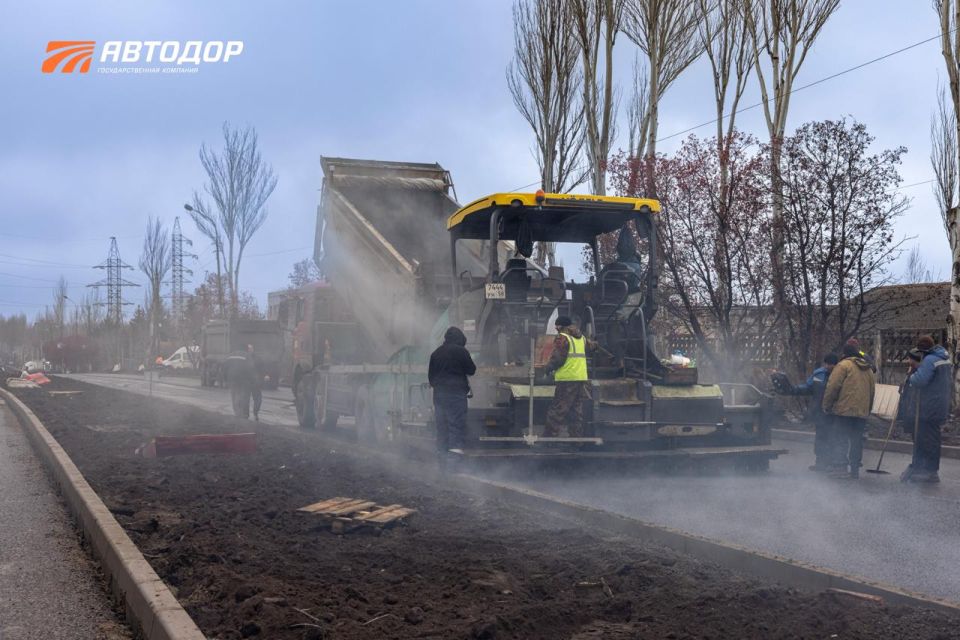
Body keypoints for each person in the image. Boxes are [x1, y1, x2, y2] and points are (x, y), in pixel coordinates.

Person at [898, 336, 952, 483]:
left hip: (929, 406)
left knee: (926, 439)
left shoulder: (929, 360)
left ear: (922, 350)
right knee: (933, 438)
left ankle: (927, 471)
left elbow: (920, 380)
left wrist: (912, 375)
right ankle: (927, 469)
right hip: (940, 405)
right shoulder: (944, 358)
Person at [822, 342, 876, 479]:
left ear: (844, 354)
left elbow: (832, 387)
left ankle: (840, 468)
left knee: (840, 438)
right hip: (861, 412)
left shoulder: (843, 366)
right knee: (856, 440)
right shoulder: (868, 369)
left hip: (844, 410)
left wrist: (826, 405)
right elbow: (872, 391)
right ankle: (855, 469)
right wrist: (867, 409)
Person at [777, 353, 839, 471]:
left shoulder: (840, 375)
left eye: (830, 364)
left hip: (834, 413)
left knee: (833, 438)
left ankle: (832, 463)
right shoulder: (819, 374)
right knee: (821, 437)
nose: (827, 367)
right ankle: (820, 462)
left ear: (835, 365)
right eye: (826, 364)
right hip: (820, 412)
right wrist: (792, 390)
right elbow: (808, 387)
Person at [428, 327, 477, 465]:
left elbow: (431, 379)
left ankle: (442, 461)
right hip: (456, 395)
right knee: (456, 424)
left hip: (439, 396)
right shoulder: (461, 351)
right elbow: (471, 370)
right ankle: (454, 463)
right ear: (460, 339)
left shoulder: (435, 353)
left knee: (442, 425)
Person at [544, 316, 598, 438]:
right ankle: (576, 440)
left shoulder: (563, 338)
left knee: (557, 410)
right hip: (580, 378)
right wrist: (596, 343)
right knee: (575, 411)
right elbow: (592, 346)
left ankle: (548, 440)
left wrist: (547, 368)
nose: (555, 328)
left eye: (557, 325)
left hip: (567, 379)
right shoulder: (581, 338)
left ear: (562, 326)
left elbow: (558, 358)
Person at [226, 344, 262, 421]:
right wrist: (254, 380)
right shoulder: (246, 356)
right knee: (244, 396)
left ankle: (237, 412)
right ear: (246, 349)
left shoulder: (231, 355)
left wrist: (226, 378)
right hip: (244, 379)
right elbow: (250, 369)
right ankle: (244, 414)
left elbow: (225, 366)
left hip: (232, 379)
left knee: (234, 395)